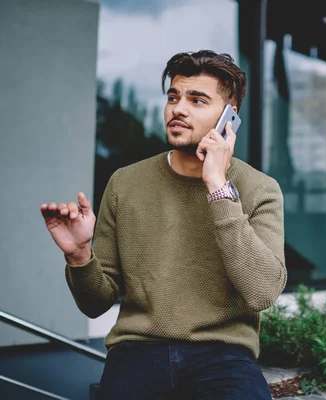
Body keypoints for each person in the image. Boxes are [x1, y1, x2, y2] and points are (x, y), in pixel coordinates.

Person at [40, 50, 286, 399]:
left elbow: (262, 291)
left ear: (229, 118)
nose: (178, 109)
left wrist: (217, 186)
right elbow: (96, 303)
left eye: (197, 100)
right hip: (137, 352)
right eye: (174, 97)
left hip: (223, 356)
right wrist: (80, 255)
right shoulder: (125, 184)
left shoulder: (260, 189)